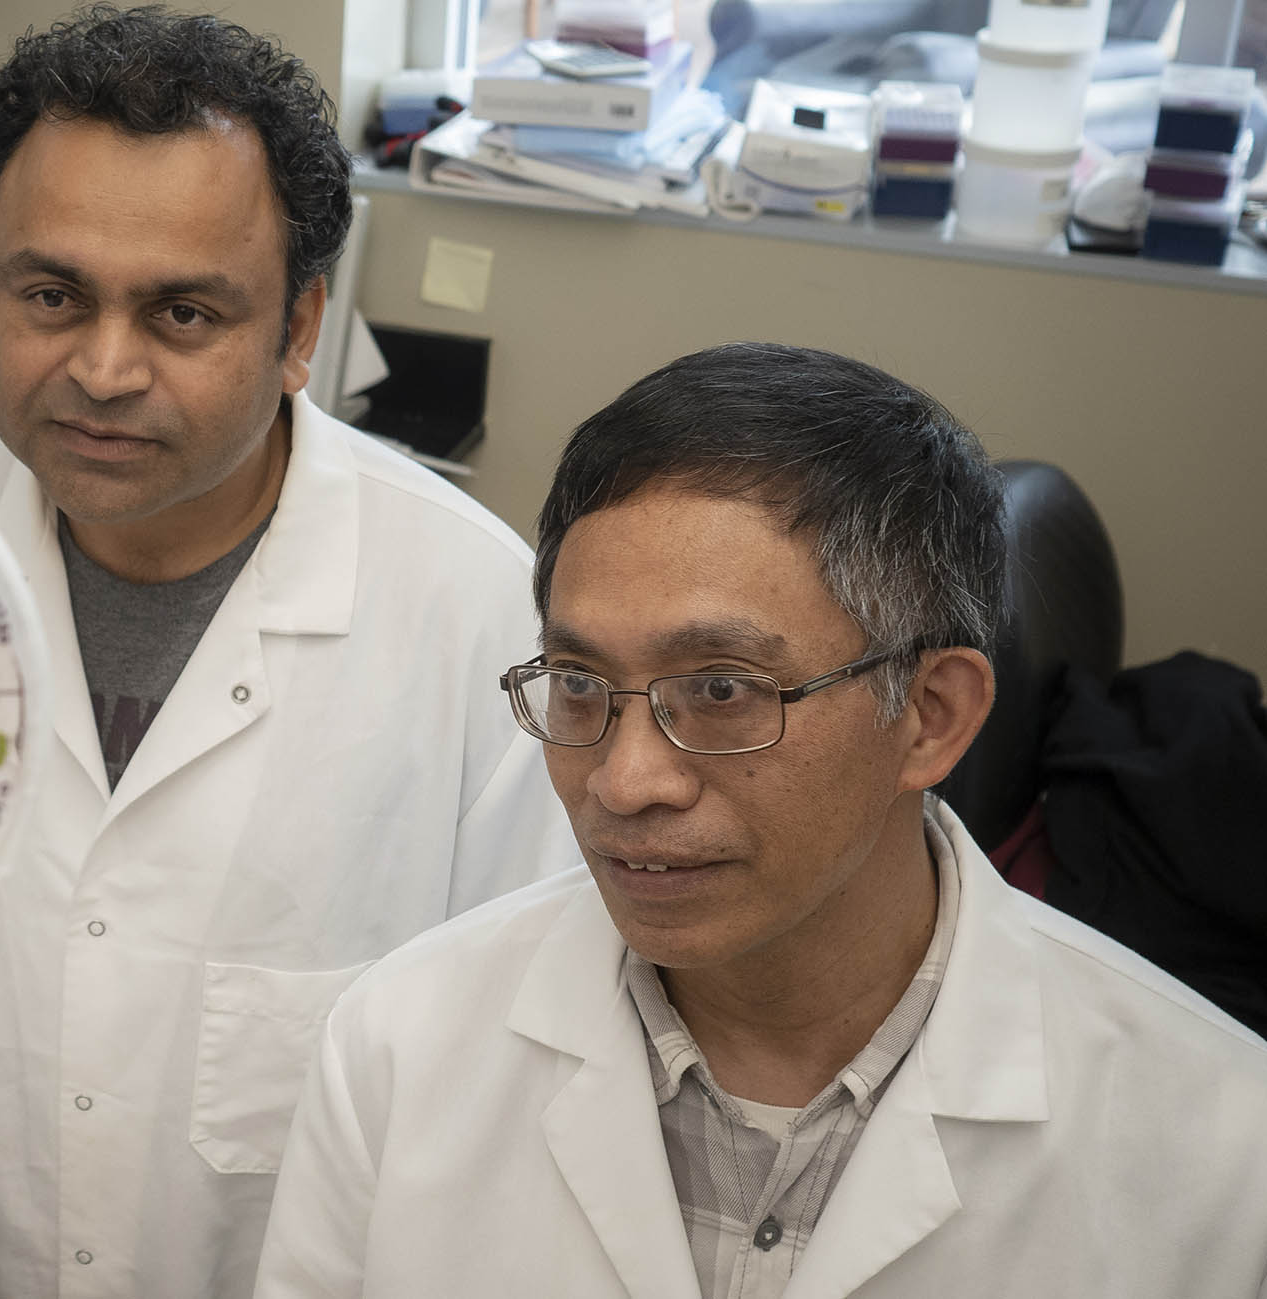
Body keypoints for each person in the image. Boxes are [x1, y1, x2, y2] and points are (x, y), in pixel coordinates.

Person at [253, 343, 1267, 1297]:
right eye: (577, 681)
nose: (624, 780)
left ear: (931, 715)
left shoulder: (1220, 1148)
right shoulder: (399, 1044)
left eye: (724, 690)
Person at [0, 8, 576, 1297]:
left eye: (183, 314)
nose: (101, 368)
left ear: (299, 329)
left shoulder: (481, 626)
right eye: (50, 295)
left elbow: (520, 1096)